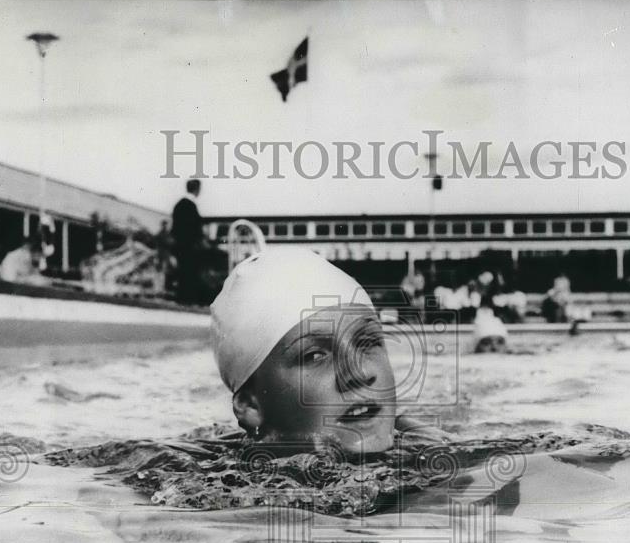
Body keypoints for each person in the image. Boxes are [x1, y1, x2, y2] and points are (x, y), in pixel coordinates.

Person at [210, 248, 446, 456]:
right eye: (314, 356)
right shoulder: (205, 487)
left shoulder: (437, 453)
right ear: (251, 406)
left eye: (367, 343)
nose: (359, 372)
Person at [171, 179, 211, 305]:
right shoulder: (191, 206)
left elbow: (175, 228)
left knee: (183, 272)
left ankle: (182, 298)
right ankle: (188, 299)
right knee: (191, 272)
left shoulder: (178, 205)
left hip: (180, 245)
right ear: (197, 189)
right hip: (190, 245)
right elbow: (194, 227)